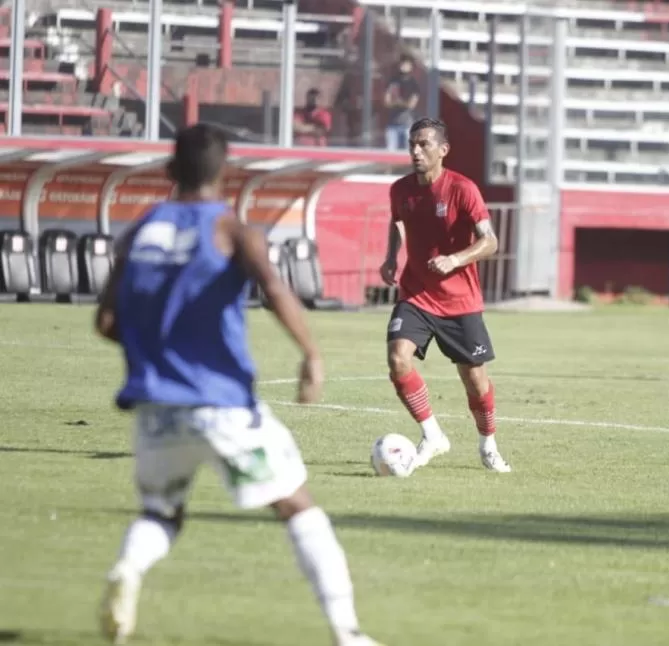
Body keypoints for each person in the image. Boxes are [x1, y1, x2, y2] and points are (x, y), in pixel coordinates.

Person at [94, 124, 382, 646]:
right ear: (224, 173)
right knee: (298, 506)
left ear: (169, 170)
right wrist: (311, 354)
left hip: (156, 409)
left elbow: (107, 323)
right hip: (221, 404)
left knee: (161, 514)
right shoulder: (231, 230)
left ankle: (128, 569)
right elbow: (273, 288)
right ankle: (349, 632)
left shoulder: (139, 233)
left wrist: (160, 351)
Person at [379, 117, 511, 473]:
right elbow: (397, 220)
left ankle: (488, 445)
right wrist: (391, 257)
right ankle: (432, 435)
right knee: (397, 358)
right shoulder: (400, 190)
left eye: (423, 144)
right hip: (417, 294)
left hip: (459, 302)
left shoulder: (463, 189)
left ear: (443, 150)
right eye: (412, 144)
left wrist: (455, 259)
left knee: (475, 381)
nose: (415, 151)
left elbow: (490, 241)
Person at [383, 56, 421, 151]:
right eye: (403, 64)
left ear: (411, 67)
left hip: (407, 124)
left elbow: (411, 105)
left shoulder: (413, 84)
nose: (404, 66)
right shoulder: (393, 81)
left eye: (407, 64)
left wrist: (398, 102)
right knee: (390, 151)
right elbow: (387, 101)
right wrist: (399, 102)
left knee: (408, 152)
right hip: (392, 123)